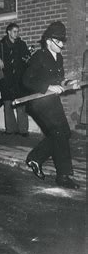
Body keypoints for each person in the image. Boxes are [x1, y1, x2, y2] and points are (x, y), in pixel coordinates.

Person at [22, 21, 80, 189]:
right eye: (59, 41)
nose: (62, 44)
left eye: (63, 41)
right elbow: (26, 80)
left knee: (64, 133)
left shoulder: (58, 57)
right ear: (49, 41)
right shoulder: (39, 56)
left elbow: (58, 80)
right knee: (59, 133)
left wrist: (69, 82)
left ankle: (35, 157)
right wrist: (47, 87)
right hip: (38, 101)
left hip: (51, 100)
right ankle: (63, 176)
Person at [0, 23, 31, 136]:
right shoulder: (1, 45)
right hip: (6, 79)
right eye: (15, 31)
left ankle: (23, 130)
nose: (17, 34)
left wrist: (26, 59)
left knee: (21, 103)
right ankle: (10, 129)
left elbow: (27, 57)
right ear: (9, 32)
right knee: (7, 104)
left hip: (19, 79)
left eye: (18, 31)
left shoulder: (21, 44)